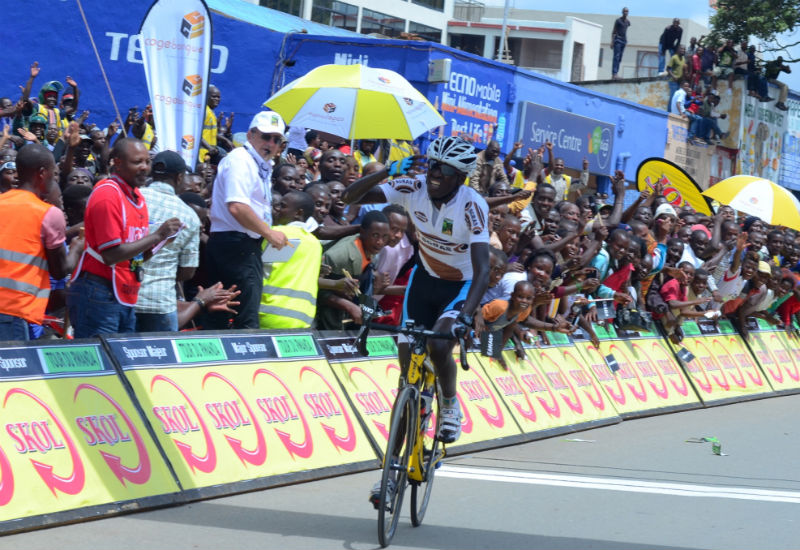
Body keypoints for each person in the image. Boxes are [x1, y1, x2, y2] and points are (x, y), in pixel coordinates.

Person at [343, 135, 490, 447]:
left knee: (439, 347)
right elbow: (347, 197)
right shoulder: (413, 187)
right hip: (423, 282)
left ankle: (449, 404)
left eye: (445, 170)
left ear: (461, 177)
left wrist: (465, 317)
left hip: (459, 286)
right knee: (405, 374)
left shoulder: (473, 206)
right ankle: (391, 468)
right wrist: (387, 171)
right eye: (433, 165)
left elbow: (483, 271)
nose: (435, 174)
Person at [67, 138, 183, 338]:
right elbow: (111, 255)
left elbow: (133, 259)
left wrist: (161, 242)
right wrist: (157, 235)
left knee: (120, 359)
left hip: (123, 291)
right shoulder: (108, 194)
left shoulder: (137, 197)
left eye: (147, 162)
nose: (144, 168)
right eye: (137, 162)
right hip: (99, 291)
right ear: (117, 163)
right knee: (100, 362)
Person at [206, 111, 290, 329]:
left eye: (277, 139)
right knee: (246, 317)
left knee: (225, 313)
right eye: (266, 136)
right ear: (251, 135)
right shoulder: (241, 160)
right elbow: (237, 206)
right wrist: (269, 233)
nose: (271, 143)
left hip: (237, 243)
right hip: (236, 245)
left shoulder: (256, 164)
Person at [0, 144, 79, 340]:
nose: (55, 179)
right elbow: (60, 270)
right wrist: (77, 248)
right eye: (54, 173)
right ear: (42, 173)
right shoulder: (48, 214)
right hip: (15, 312)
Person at [135, 151, 201, 332]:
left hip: (124, 297)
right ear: (179, 177)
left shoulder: (132, 199)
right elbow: (188, 271)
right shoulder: (189, 215)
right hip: (160, 302)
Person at [316, 210, 390, 330]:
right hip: (326, 324)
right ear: (362, 232)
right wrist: (348, 306)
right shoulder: (339, 256)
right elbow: (318, 290)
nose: (380, 242)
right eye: (375, 235)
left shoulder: (373, 251)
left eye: (384, 236)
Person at [259, 190, 322, 329]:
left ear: (298, 213)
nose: (277, 210)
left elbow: (263, 273)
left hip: (269, 315)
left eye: (283, 206)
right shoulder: (315, 244)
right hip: (303, 320)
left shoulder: (279, 235)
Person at [198, 85, 221, 163]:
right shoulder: (204, 112)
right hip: (201, 155)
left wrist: (225, 140)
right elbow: (196, 134)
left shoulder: (211, 112)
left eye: (218, 97)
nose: (217, 99)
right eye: (214, 97)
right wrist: (209, 147)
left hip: (209, 155)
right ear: (206, 96)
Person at [611, 7, 630, 79]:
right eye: (625, 11)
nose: (626, 12)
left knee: (620, 58)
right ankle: (614, 74)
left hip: (624, 41)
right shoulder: (618, 21)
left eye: (627, 11)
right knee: (616, 56)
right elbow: (613, 32)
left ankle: (616, 73)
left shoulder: (628, 22)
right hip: (617, 40)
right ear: (622, 12)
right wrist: (612, 42)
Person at [666, 46, 687, 111]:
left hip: (680, 82)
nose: (683, 50)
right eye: (681, 49)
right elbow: (668, 68)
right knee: (673, 97)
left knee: (678, 98)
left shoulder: (683, 58)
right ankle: (669, 112)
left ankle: (676, 112)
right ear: (678, 50)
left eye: (684, 49)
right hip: (673, 81)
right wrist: (673, 76)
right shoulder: (674, 57)